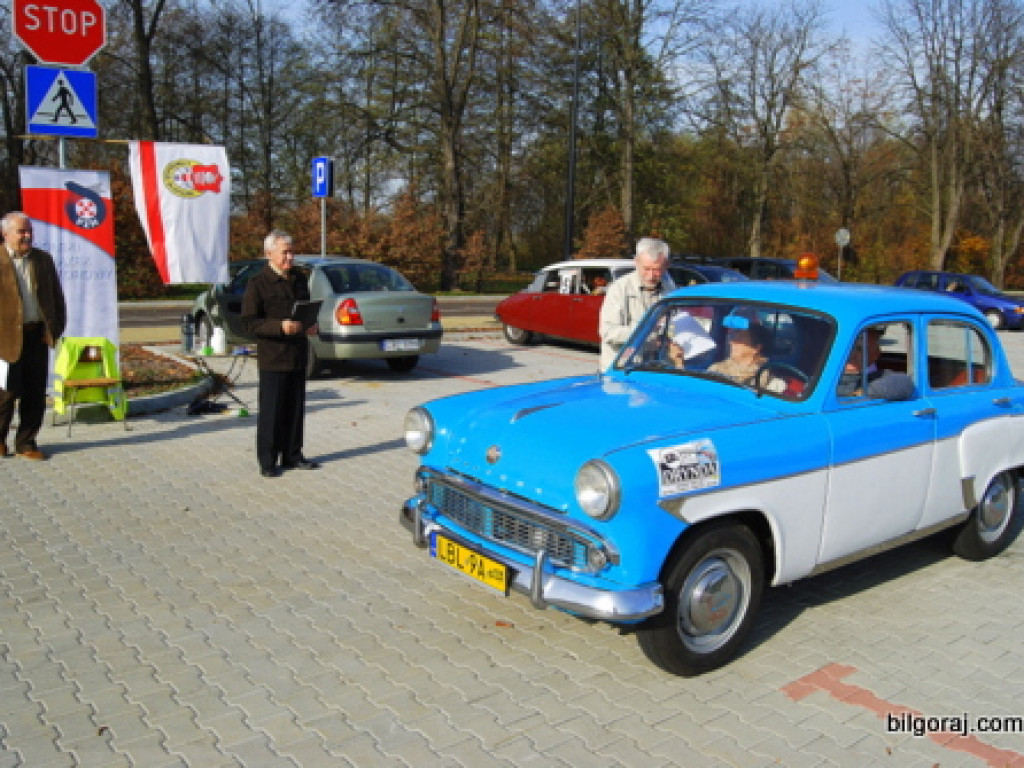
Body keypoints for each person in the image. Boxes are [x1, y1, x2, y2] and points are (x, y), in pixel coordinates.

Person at [241, 230, 320, 478]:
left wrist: (310, 325)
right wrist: (279, 327)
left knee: (295, 410)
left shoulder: (298, 279)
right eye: (285, 252)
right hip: (273, 357)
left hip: (297, 354)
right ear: (269, 254)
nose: (290, 256)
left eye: (292, 251)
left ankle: (293, 455)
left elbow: (304, 309)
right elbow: (250, 323)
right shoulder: (258, 283)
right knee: (272, 412)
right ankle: (268, 460)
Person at [0, 212, 67, 461]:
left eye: (29, 231)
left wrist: (55, 328)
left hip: (36, 337)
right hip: (4, 340)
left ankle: (26, 443)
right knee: (4, 393)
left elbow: (57, 297)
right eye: (21, 232)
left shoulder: (43, 260)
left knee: (34, 393)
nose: (27, 236)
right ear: (5, 234)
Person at [598, 238, 676, 369]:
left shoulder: (670, 290)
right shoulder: (619, 289)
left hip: (655, 368)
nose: (651, 276)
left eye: (657, 270)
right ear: (636, 262)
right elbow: (608, 332)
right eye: (646, 269)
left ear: (666, 265)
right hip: (622, 369)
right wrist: (646, 330)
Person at [838, 326, 916, 400]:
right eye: (849, 348)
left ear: (875, 354)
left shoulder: (878, 376)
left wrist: (863, 392)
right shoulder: (830, 373)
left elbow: (905, 383)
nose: (851, 354)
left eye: (859, 349)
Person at [707, 322, 785, 393]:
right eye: (735, 337)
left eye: (740, 339)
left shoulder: (772, 383)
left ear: (756, 348)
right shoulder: (716, 369)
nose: (731, 342)